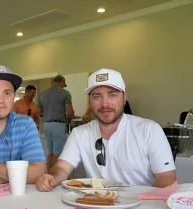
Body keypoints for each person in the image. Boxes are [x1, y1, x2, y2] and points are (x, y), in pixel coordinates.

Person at [35, 68, 176, 191]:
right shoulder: (79, 133)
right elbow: (62, 168)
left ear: (124, 98)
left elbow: (167, 178)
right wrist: (51, 177)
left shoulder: (149, 129)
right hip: (98, 207)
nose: (104, 104)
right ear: (90, 101)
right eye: (97, 96)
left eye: (112, 95)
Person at [38, 75, 74, 171]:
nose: (63, 86)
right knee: (57, 153)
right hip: (58, 125)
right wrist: (69, 119)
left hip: (46, 125)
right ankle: (53, 177)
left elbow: (39, 112)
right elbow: (70, 112)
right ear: (61, 81)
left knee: (51, 152)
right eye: (63, 84)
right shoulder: (65, 93)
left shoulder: (42, 94)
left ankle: (48, 174)